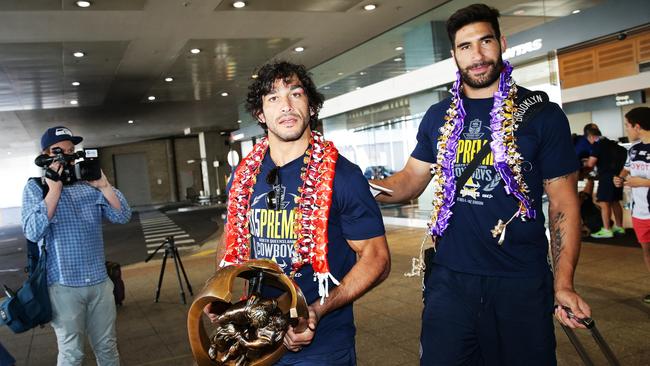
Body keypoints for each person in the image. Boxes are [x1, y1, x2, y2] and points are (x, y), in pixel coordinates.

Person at [371, 4, 590, 365]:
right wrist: (354, 189)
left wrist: (563, 284)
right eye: (465, 47)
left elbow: (564, 205)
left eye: (485, 41)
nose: (477, 55)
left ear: (501, 42)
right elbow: (409, 181)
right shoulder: (438, 116)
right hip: (451, 282)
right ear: (454, 56)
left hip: (520, 280)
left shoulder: (541, 116)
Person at [209, 61, 390, 365]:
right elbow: (231, 237)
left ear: (311, 105)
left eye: (296, 94)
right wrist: (220, 292)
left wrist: (317, 310)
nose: (287, 106)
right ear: (260, 113)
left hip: (322, 347)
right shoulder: (243, 177)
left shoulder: (342, 176)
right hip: (257, 340)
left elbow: (377, 258)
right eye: (273, 98)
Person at [22, 126, 132, 366]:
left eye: (71, 150)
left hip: (99, 282)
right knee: (72, 353)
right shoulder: (35, 188)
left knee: (107, 347)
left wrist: (104, 186)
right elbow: (32, 231)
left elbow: (122, 215)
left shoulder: (88, 185)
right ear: (45, 155)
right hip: (63, 286)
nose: (66, 156)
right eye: (58, 151)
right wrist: (54, 191)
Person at [613, 107, 650, 303]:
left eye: (628, 125)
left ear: (637, 126)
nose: (626, 129)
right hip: (640, 212)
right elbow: (626, 169)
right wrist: (619, 179)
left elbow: (640, 179)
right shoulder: (634, 150)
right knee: (647, 251)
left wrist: (643, 182)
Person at [584, 124, 626, 238]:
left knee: (604, 202)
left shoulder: (597, 144)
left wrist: (585, 162)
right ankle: (619, 227)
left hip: (606, 176)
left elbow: (591, 163)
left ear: (590, 136)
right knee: (615, 201)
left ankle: (607, 229)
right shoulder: (612, 143)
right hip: (618, 176)